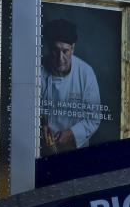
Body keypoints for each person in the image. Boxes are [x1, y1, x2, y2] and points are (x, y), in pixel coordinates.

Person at [40, 19, 101, 155]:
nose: (60, 58)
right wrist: (41, 124)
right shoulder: (38, 70)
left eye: (65, 51)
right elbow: (29, 106)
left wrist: (71, 133)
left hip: (76, 151)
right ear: (49, 48)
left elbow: (94, 118)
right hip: (43, 149)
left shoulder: (86, 73)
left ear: (73, 48)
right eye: (55, 51)